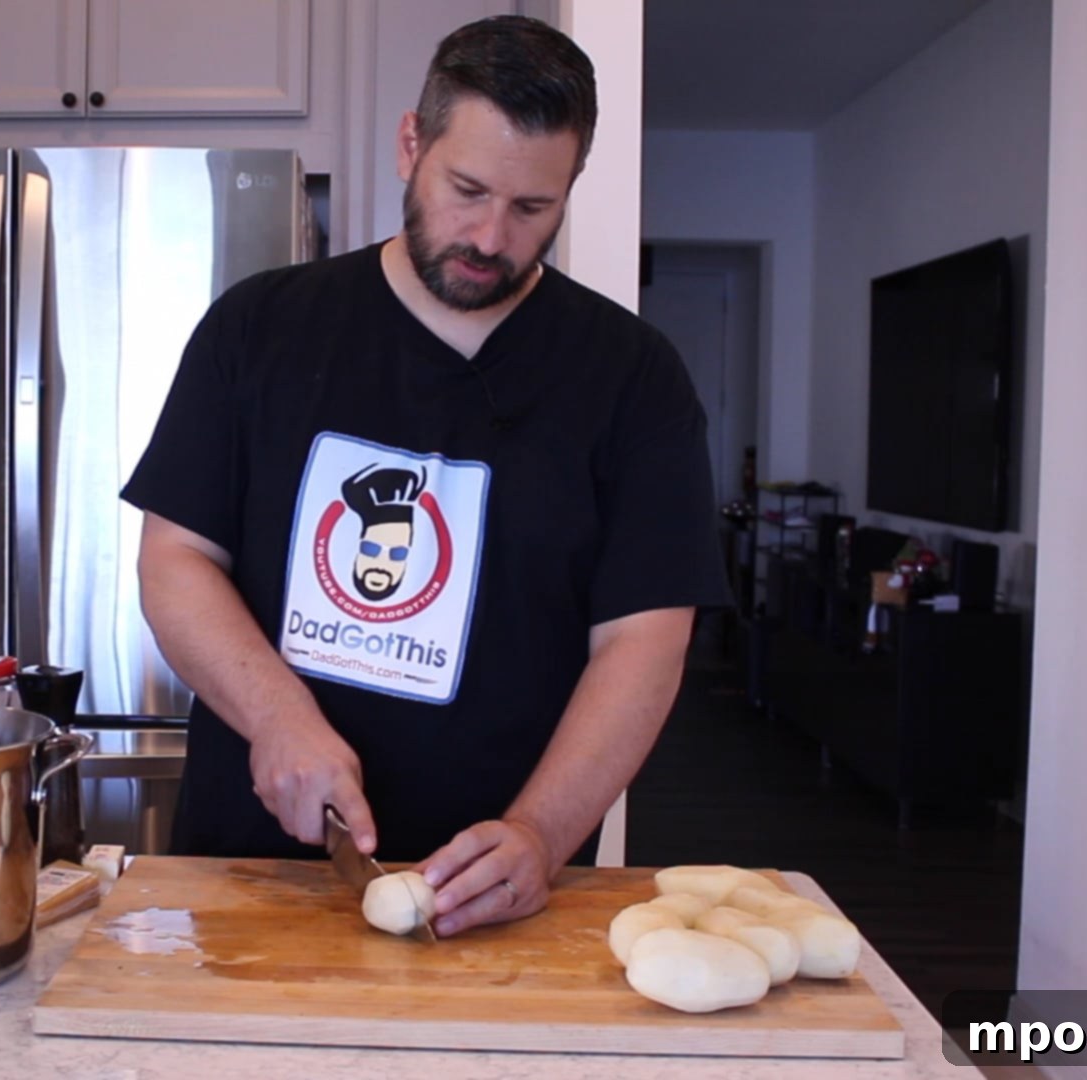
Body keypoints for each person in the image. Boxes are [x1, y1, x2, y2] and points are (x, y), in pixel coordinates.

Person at [120, 15, 728, 937]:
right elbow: (174, 559)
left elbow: (644, 643)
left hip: (508, 901)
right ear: (412, 143)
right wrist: (279, 714)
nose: (489, 236)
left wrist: (541, 832)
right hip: (252, 880)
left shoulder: (634, 380)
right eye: (467, 189)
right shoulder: (259, 330)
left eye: (532, 209)